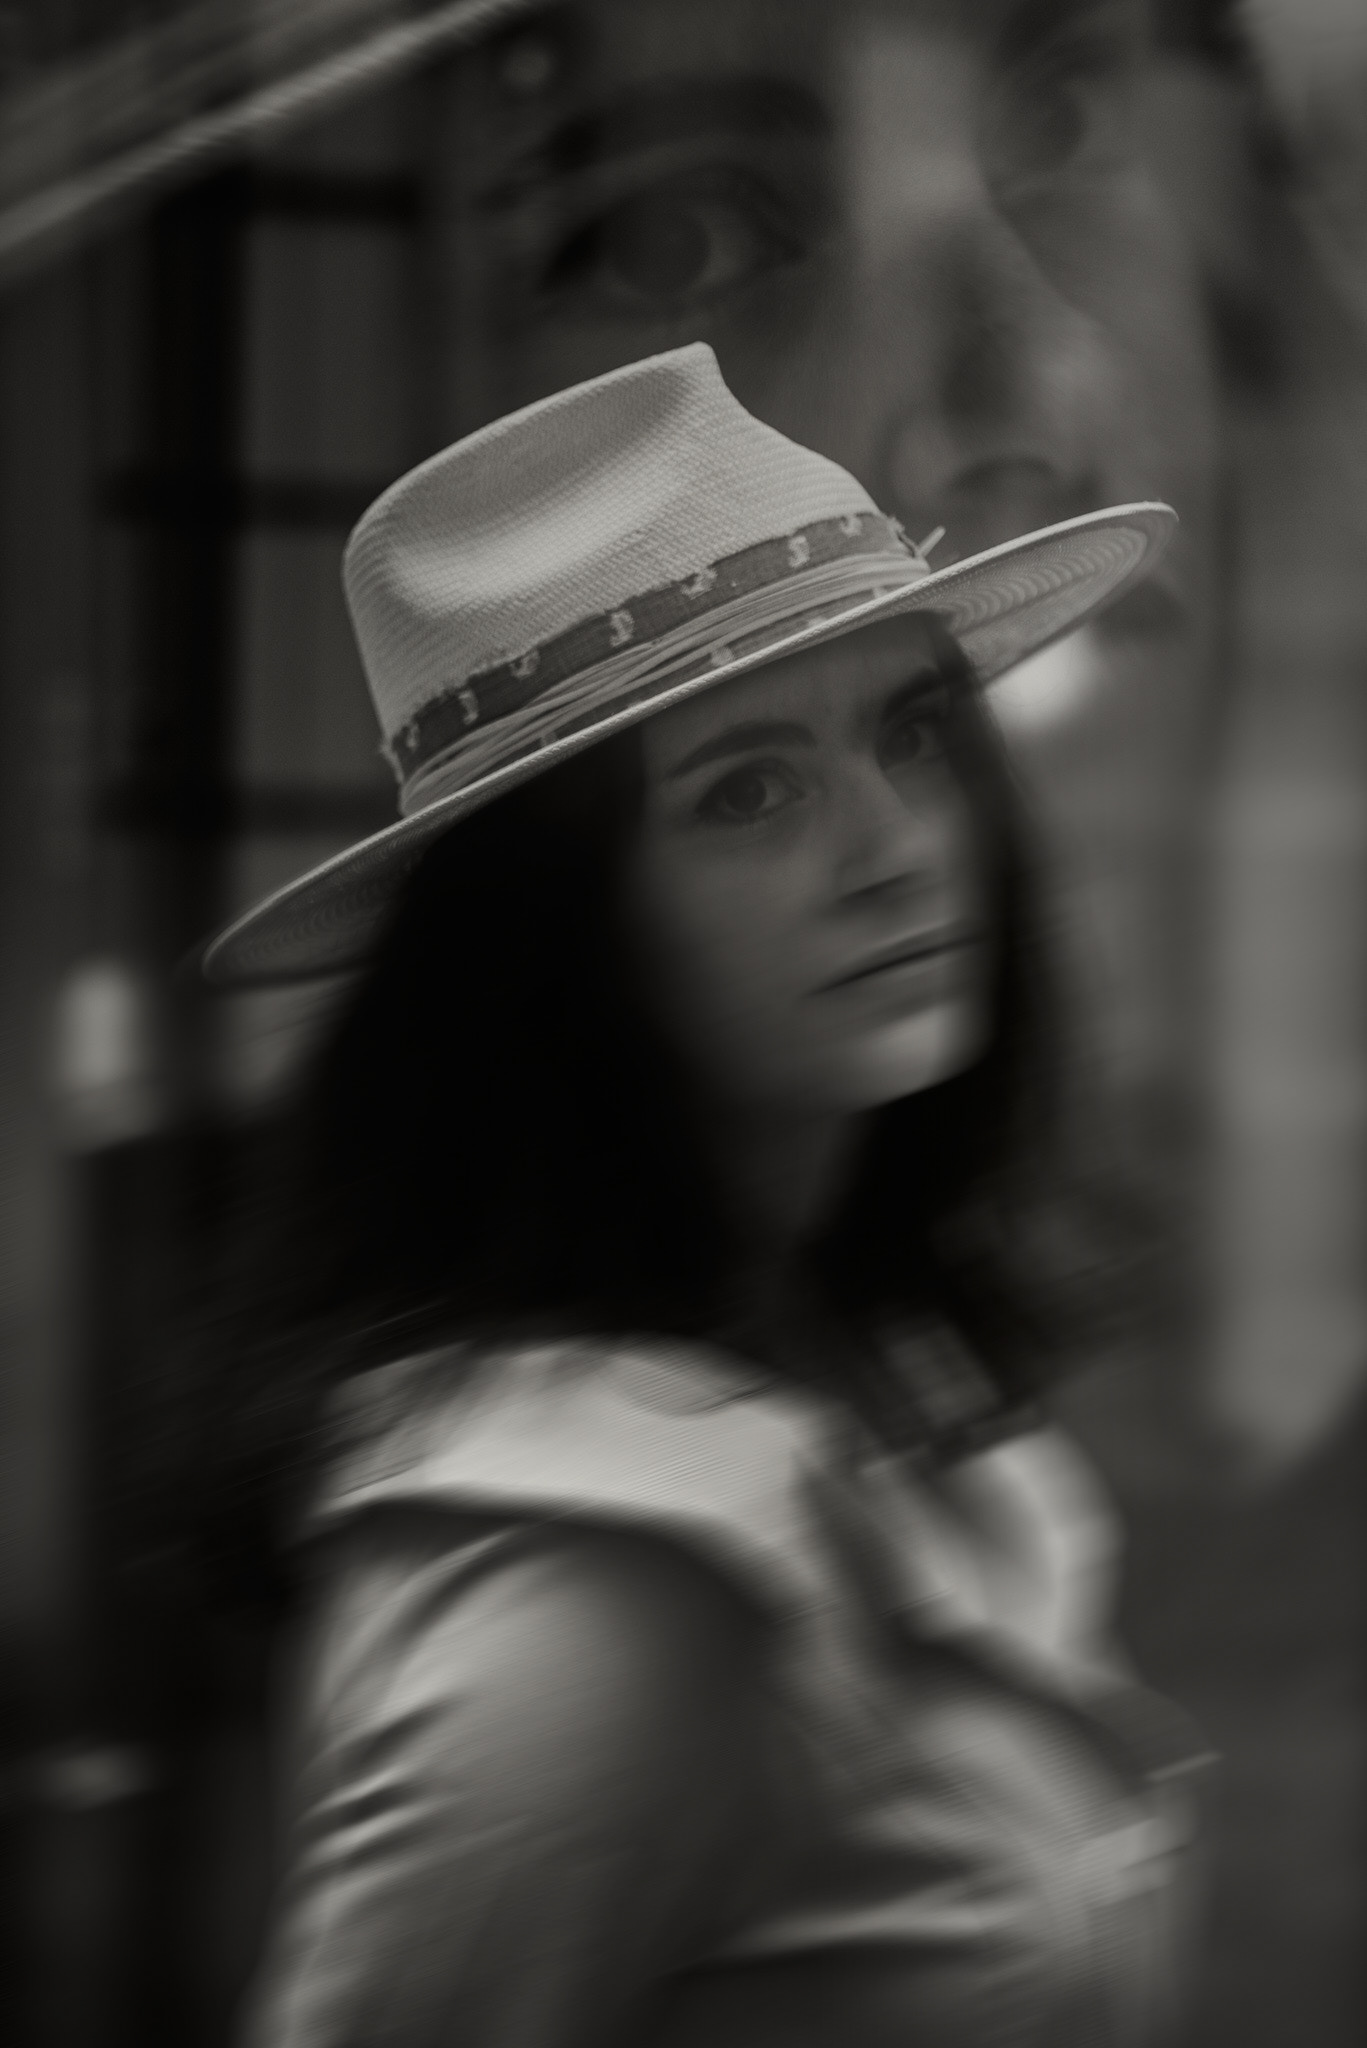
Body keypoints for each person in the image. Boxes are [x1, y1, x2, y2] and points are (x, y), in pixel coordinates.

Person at [209, 346, 1208, 2047]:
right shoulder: (590, 1599)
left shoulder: (874, 1350)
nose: (898, 846)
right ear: (555, 939)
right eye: (749, 791)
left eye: (913, 733)